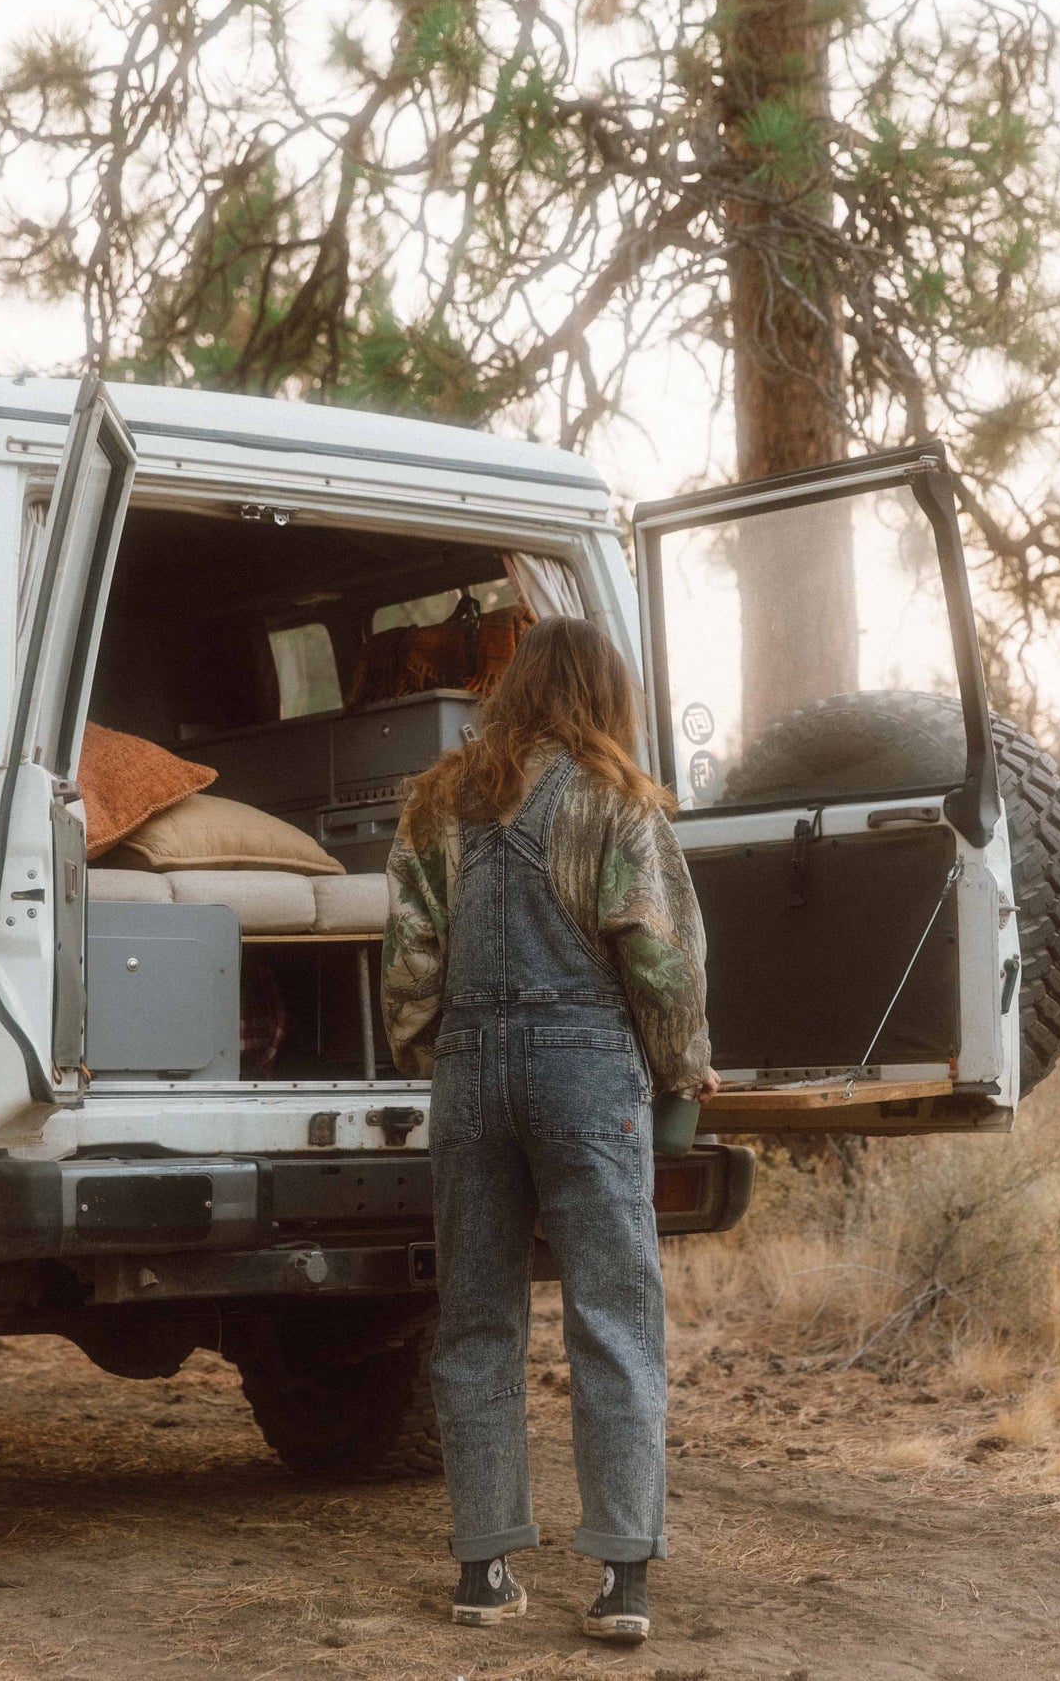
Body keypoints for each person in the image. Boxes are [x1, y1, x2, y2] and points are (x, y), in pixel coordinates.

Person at [381, 615, 718, 1646]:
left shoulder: (438, 800)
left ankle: (483, 1571)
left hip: (471, 1073)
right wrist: (682, 1065)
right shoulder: (623, 801)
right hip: (586, 1072)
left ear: (512, 689)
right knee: (613, 1320)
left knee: (476, 1322)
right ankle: (622, 1582)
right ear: (604, 694)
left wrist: (430, 1049)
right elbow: (659, 957)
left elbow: (409, 956)